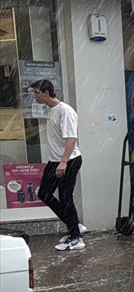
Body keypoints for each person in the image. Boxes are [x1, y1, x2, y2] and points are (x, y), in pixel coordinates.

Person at [30, 79, 85, 251]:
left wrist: (63, 162)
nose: (35, 96)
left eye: (37, 93)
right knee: (44, 193)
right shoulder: (52, 110)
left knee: (65, 197)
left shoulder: (65, 111)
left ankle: (76, 237)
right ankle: (74, 224)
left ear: (47, 93)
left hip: (69, 160)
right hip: (55, 160)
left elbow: (71, 138)